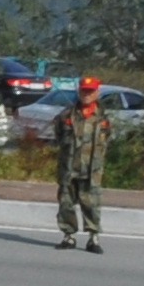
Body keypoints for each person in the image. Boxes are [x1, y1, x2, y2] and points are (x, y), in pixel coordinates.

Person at [50, 77, 111, 252]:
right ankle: (69, 236)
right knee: (66, 203)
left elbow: (106, 140)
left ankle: (93, 239)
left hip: (92, 170)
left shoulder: (103, 118)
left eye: (90, 91)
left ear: (97, 93)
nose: (87, 94)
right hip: (69, 168)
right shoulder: (66, 115)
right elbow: (58, 136)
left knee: (92, 205)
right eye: (84, 90)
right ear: (79, 91)